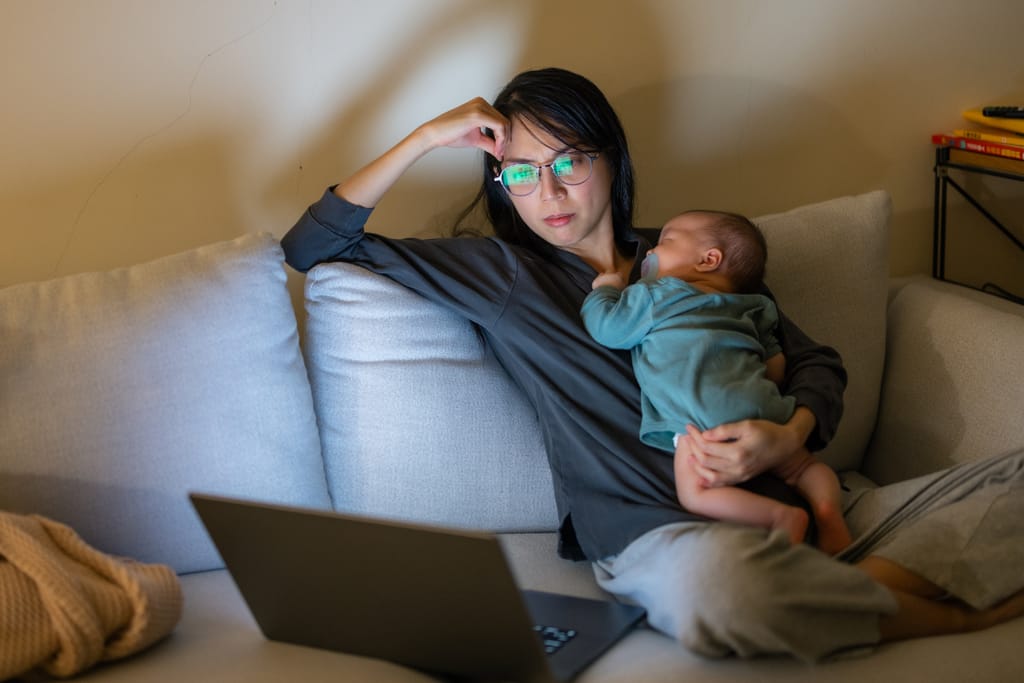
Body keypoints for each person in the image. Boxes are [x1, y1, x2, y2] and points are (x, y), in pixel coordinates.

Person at [281, 67, 1024, 662]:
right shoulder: (507, 274)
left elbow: (815, 361)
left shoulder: (692, 257)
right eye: (520, 173)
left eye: (569, 160)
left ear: (612, 157)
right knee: (725, 592)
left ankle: (839, 584)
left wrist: (790, 434)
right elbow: (311, 246)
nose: (549, 191)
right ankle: (926, 608)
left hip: (804, 512)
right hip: (663, 541)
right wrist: (422, 138)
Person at [581, 209, 852, 555]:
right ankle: (828, 511)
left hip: (701, 418)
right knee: (804, 466)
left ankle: (780, 517)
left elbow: (609, 328)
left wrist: (605, 291)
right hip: (767, 410)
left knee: (695, 492)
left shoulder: (656, 294)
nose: (649, 252)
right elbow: (776, 367)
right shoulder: (754, 307)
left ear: (709, 260)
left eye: (665, 242)